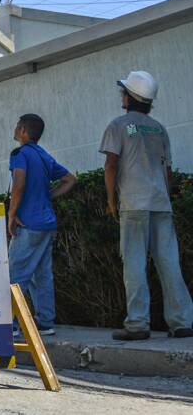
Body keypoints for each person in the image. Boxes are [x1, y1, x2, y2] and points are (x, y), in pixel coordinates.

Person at [100, 70, 193, 340]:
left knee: (134, 263)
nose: (121, 95)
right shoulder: (159, 128)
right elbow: (168, 171)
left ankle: (138, 324)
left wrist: (110, 200)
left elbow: (111, 164)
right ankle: (182, 322)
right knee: (169, 262)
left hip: (134, 203)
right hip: (161, 204)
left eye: (124, 91)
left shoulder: (119, 125)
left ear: (130, 97)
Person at [7, 113, 77, 336]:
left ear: (24, 131)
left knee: (16, 274)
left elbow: (19, 184)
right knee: (42, 274)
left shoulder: (20, 154)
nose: (16, 129)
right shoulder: (44, 156)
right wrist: (47, 197)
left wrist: (11, 214)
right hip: (47, 223)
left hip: (28, 223)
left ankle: (12, 325)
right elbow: (70, 179)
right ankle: (45, 322)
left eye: (18, 126)